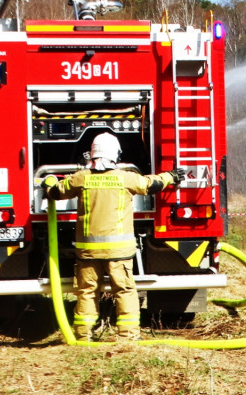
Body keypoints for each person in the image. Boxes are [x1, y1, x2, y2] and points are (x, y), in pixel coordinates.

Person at [43, 132, 184, 341]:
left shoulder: (81, 178)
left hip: (88, 253)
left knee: (87, 292)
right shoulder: (126, 178)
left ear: (92, 155)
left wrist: (49, 182)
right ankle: (127, 337)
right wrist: (171, 176)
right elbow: (150, 184)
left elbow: (55, 192)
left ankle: (83, 336)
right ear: (115, 155)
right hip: (120, 252)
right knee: (125, 290)